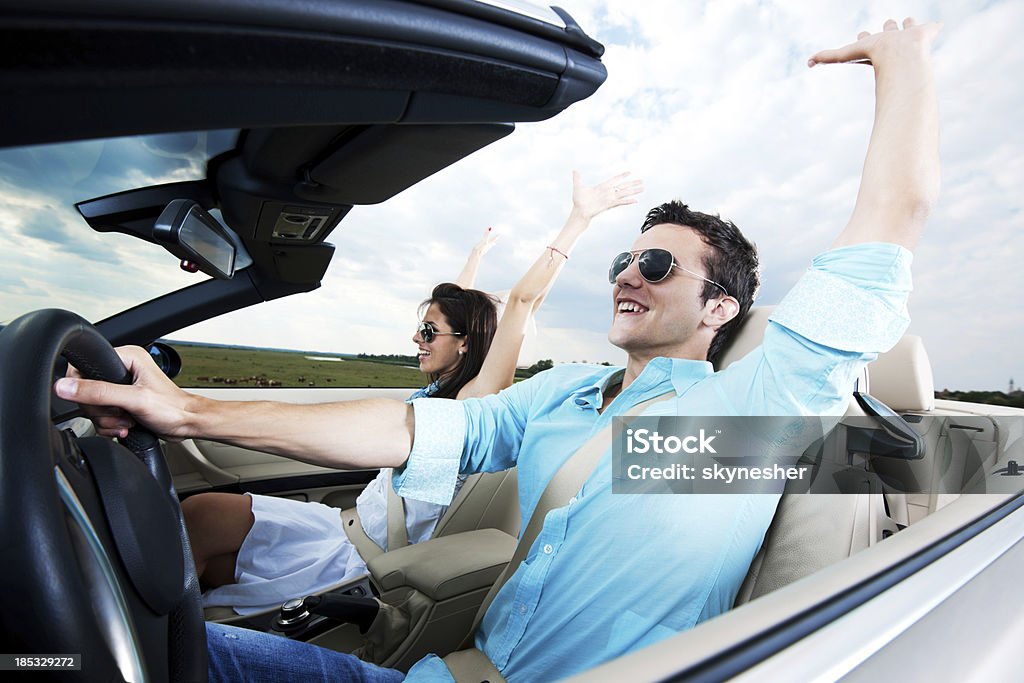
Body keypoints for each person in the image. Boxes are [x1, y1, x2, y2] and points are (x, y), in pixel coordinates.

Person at [58, 19, 940, 683]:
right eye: (622, 259)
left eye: (658, 263)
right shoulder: (564, 396)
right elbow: (408, 432)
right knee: (122, 645)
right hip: (447, 675)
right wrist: (185, 411)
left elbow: (890, 222)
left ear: (719, 305)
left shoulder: (749, 417)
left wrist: (901, 62)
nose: (628, 275)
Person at [173, 172, 645, 616]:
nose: (417, 339)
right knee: (203, 523)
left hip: (363, 555)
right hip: (343, 524)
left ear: (463, 342)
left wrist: (578, 220)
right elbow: (458, 304)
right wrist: (476, 257)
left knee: (205, 536)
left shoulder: (477, 402)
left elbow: (523, 302)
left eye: (428, 331)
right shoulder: (442, 388)